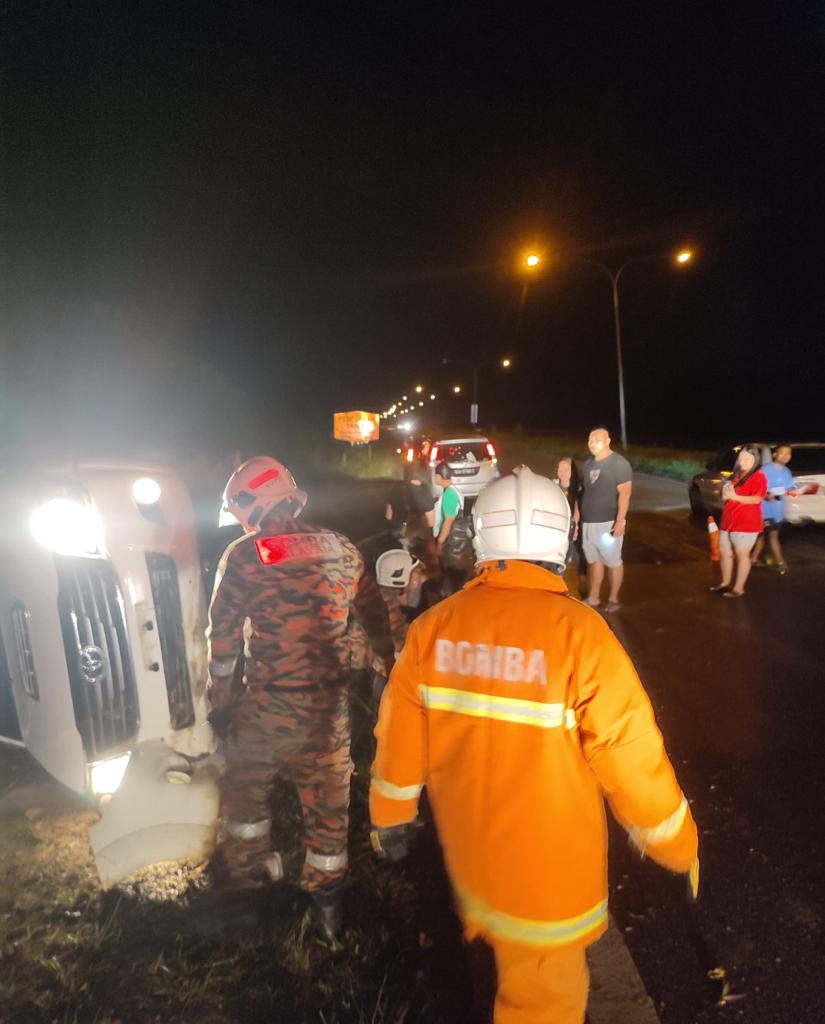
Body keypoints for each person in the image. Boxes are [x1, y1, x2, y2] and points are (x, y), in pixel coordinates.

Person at [369, 466, 698, 1024]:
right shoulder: (581, 634)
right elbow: (629, 752)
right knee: (542, 1001)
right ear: (561, 542)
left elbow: (398, 736)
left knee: (488, 969)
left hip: (469, 861)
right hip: (547, 878)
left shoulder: (433, 629)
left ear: (482, 538)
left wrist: (391, 817)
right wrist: (676, 841)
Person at [206, 456, 393, 935]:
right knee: (329, 809)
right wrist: (378, 663)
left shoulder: (244, 556)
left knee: (245, 798)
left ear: (250, 505)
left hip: (265, 711)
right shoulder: (341, 548)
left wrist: (220, 703)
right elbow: (374, 615)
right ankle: (328, 909)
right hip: (327, 713)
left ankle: (250, 895)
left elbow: (223, 640)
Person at [580, 427, 632, 612]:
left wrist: (620, 521)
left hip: (608, 524)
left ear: (608, 441)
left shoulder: (619, 463)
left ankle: (614, 599)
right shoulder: (587, 465)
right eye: (590, 439)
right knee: (594, 561)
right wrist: (578, 519)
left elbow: (625, 494)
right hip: (588, 523)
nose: (592, 443)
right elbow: (584, 493)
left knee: (613, 561)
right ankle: (593, 598)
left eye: (597, 439)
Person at [710, 445, 767, 598]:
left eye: (748, 458)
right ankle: (725, 583)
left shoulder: (758, 476)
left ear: (756, 460)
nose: (743, 460)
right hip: (728, 521)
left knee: (742, 554)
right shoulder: (736, 475)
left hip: (746, 523)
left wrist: (735, 497)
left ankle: (739, 588)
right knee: (725, 552)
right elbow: (726, 497)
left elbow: (757, 499)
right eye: (741, 457)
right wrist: (725, 495)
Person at [752, 443, 794, 574]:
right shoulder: (765, 470)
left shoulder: (787, 471)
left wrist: (798, 490)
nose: (786, 456)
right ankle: (781, 563)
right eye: (783, 453)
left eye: (789, 453)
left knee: (762, 537)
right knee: (773, 537)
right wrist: (766, 495)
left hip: (777, 512)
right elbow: (754, 487)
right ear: (775, 454)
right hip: (764, 511)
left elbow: (788, 489)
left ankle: (753, 559)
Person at [554, 456, 587, 598]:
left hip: (573, 527)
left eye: (566, 469)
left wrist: (576, 526)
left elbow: (577, 509)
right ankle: (557, 583)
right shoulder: (553, 486)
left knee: (578, 554)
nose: (562, 472)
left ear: (572, 471)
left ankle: (582, 582)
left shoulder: (577, 488)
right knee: (559, 556)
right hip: (557, 528)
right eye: (560, 469)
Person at [385, 462, 436, 546]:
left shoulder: (396, 487)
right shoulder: (425, 493)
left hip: (398, 531)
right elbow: (431, 522)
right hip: (418, 536)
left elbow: (388, 515)